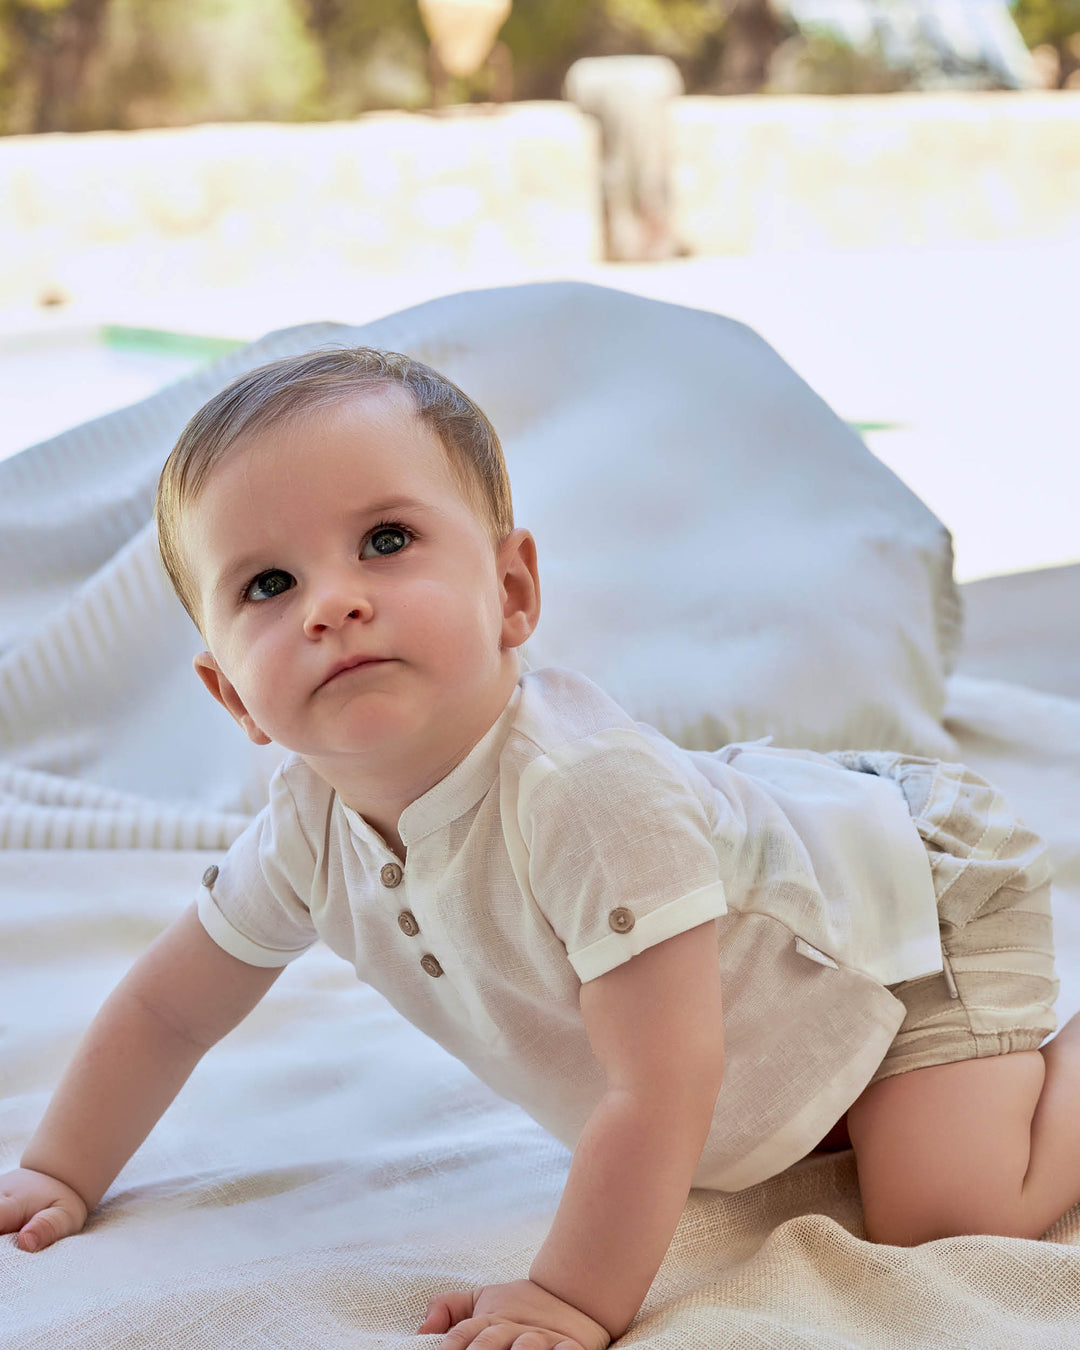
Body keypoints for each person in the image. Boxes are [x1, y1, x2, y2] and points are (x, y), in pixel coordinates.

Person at [1, 348, 1074, 1350]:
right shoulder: (305, 828)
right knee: (812, 1121)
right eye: (268, 585)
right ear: (232, 692)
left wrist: (571, 1294)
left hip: (908, 923)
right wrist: (60, 1169)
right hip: (787, 968)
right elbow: (168, 1009)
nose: (334, 602)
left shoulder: (583, 795)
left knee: (946, 1213)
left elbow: (663, 1080)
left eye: (385, 540)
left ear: (511, 592)